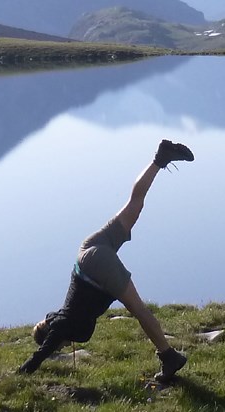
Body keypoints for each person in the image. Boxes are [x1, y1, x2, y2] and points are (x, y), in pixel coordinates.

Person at [18, 140, 196, 380]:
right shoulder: (61, 315)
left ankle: (169, 357)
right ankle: (159, 160)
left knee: (140, 311)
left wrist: (22, 372)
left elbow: (42, 352)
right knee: (134, 205)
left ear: (51, 336)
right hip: (87, 250)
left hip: (95, 268)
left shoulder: (60, 326)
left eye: (56, 345)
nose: (58, 347)